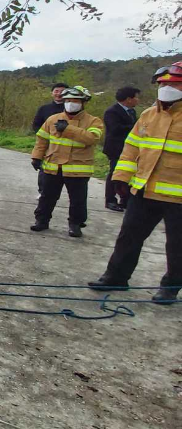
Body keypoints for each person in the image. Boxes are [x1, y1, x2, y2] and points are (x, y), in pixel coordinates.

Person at [88, 62, 182, 304]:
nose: (167, 87)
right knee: (128, 236)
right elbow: (130, 149)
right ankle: (116, 277)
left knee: (177, 246)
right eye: (163, 83)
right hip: (145, 190)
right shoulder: (149, 115)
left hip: (178, 197)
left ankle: (171, 287)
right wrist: (121, 177)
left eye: (174, 83)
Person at [30, 86, 103, 237]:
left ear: (83, 102)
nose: (71, 103)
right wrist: (36, 156)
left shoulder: (93, 121)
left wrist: (68, 129)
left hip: (78, 169)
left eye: (75, 101)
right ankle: (41, 221)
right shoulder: (52, 119)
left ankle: (75, 225)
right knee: (47, 197)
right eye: (68, 100)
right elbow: (42, 140)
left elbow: (91, 139)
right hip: (53, 166)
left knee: (78, 200)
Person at [103, 86, 141, 211]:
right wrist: (135, 127)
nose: (138, 100)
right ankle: (110, 200)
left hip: (130, 149)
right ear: (129, 99)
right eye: (136, 97)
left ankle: (125, 199)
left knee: (129, 174)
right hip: (116, 148)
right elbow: (114, 129)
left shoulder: (131, 111)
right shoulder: (112, 111)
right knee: (115, 174)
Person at [32, 82, 69, 196]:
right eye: (56, 91)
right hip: (48, 144)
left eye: (62, 91)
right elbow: (36, 125)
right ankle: (42, 191)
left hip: (67, 145)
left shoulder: (71, 110)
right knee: (44, 169)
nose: (59, 94)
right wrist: (45, 137)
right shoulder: (44, 108)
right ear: (52, 93)